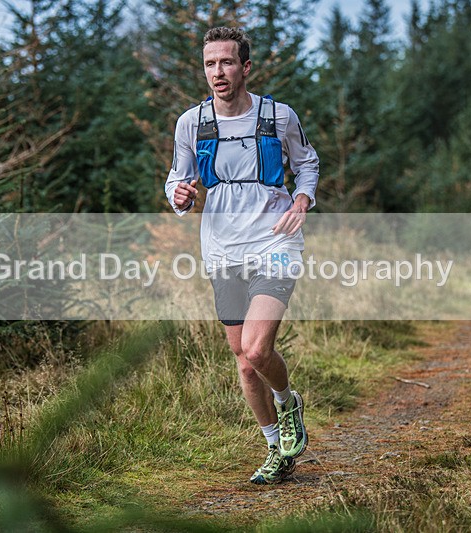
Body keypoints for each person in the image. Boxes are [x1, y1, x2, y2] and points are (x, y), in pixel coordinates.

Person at [164, 27, 319, 485]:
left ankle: (289, 402)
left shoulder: (278, 115)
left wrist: (302, 199)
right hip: (223, 248)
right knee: (244, 360)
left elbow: (306, 162)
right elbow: (177, 179)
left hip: (275, 240)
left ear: (245, 67)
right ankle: (276, 448)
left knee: (257, 347)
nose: (218, 72)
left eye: (227, 62)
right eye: (210, 64)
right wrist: (180, 195)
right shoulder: (191, 122)